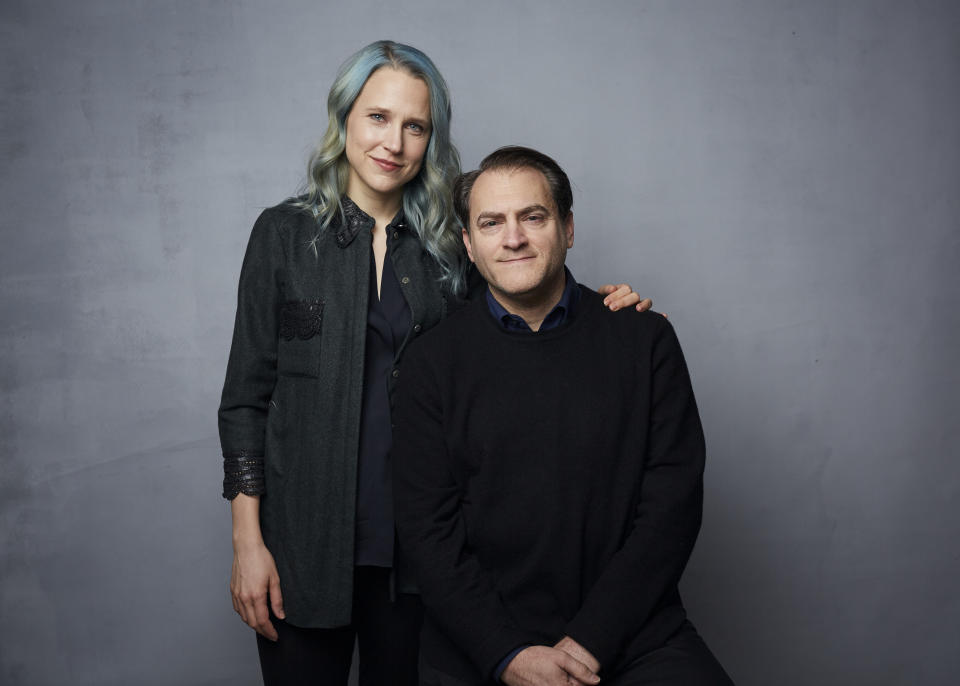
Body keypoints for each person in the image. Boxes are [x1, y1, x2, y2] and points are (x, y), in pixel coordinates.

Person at [218, 43, 650, 686]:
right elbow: (245, 400)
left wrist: (605, 310)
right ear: (345, 120)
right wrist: (248, 544)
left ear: (431, 136)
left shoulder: (456, 243)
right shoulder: (283, 235)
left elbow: (525, 301)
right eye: (377, 117)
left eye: (414, 125)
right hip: (302, 548)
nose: (393, 141)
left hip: (426, 555)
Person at [393, 146, 734, 686]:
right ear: (468, 244)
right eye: (491, 223)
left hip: (634, 636)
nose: (513, 238)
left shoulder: (644, 340)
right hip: (480, 645)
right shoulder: (429, 364)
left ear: (568, 228)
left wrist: (589, 644)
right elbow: (426, 533)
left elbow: (671, 507)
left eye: (533, 217)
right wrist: (508, 654)